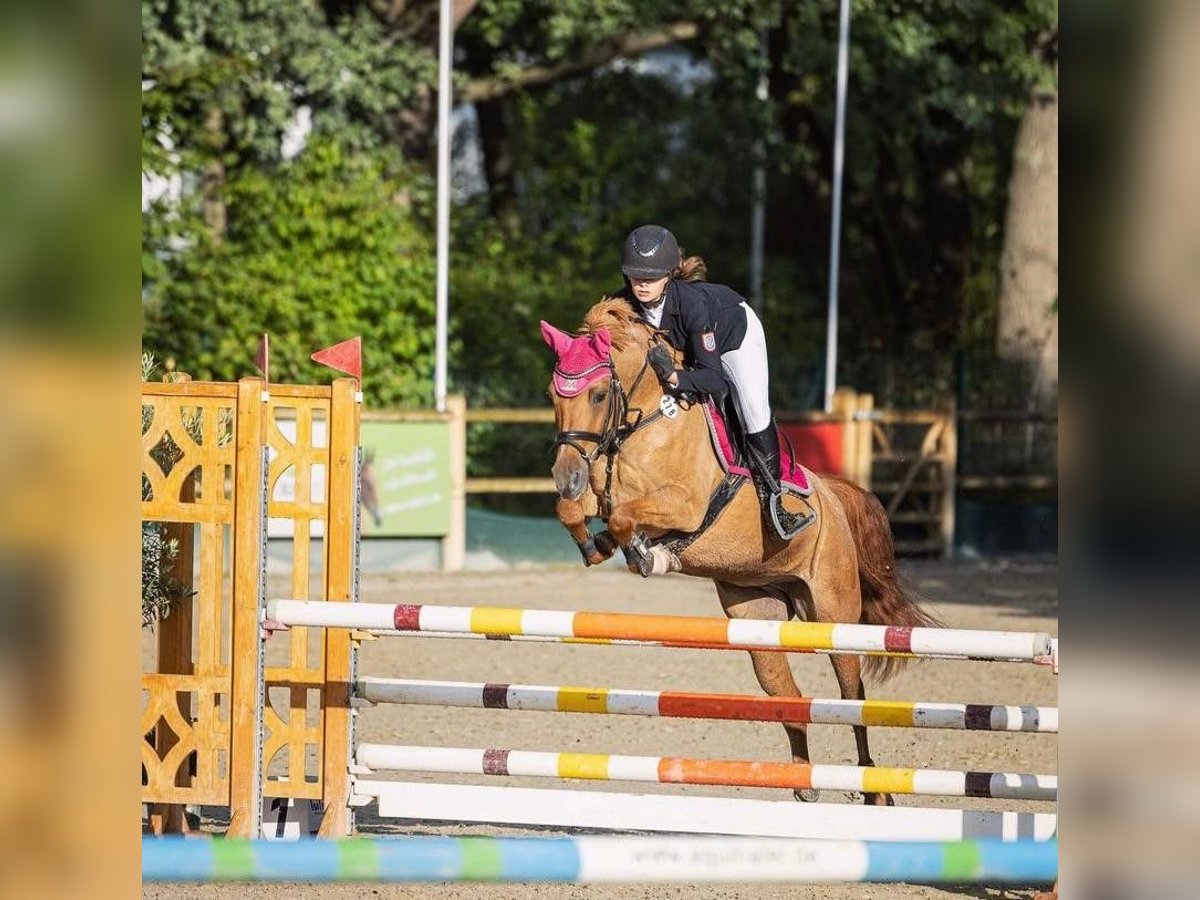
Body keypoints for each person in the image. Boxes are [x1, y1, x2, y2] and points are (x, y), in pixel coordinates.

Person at [615, 224, 813, 540]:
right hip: (690, 352)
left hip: (734, 336)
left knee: (753, 410)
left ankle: (774, 501)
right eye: (635, 276)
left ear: (668, 276)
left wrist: (675, 377)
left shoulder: (692, 305)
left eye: (651, 278)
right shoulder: (621, 305)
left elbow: (714, 380)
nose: (642, 284)